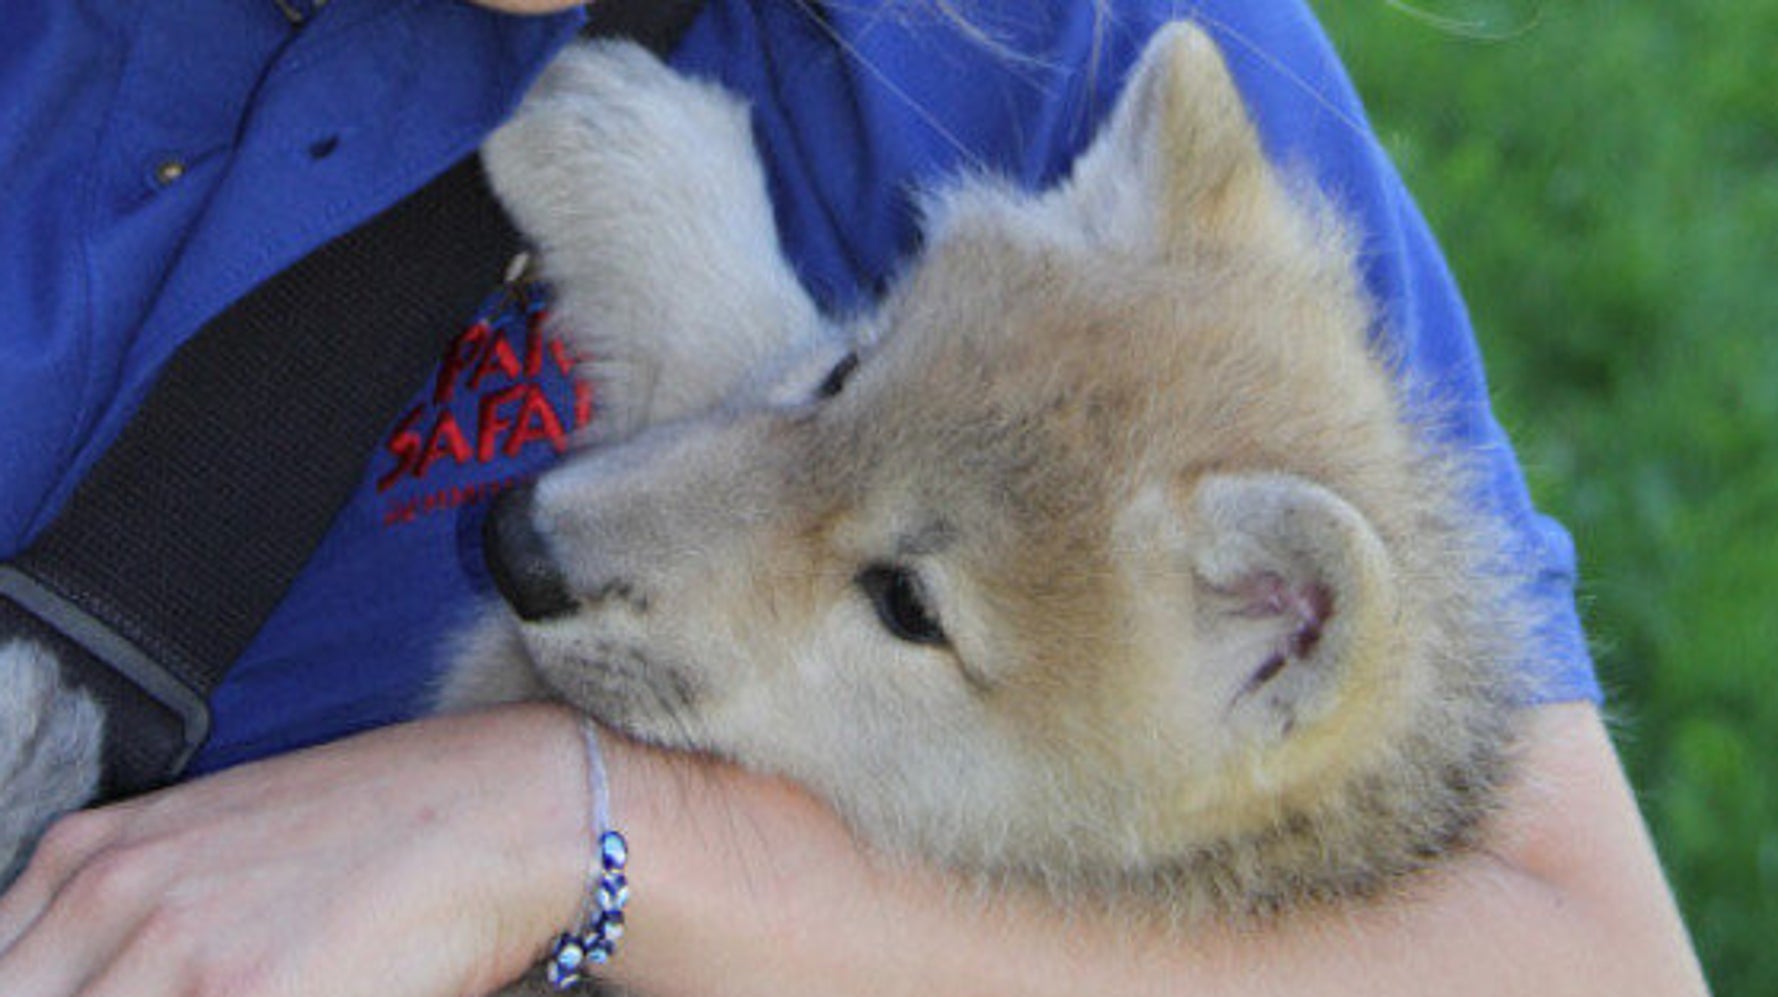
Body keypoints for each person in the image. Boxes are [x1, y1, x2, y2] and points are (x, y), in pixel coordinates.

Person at [0, 0, 1707, 994]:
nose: (552, 544)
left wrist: (570, 829)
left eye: (906, 599)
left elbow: (1583, 963)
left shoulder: (1035, 42)